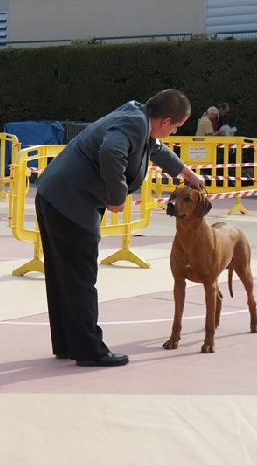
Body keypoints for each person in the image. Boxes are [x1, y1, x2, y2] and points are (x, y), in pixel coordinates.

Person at [34, 89, 205, 368]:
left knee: (62, 275)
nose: (174, 132)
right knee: (80, 276)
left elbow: (155, 148)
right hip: (72, 201)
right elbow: (111, 151)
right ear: (166, 121)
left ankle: (67, 343)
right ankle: (89, 350)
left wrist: (187, 173)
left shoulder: (136, 116)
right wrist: (117, 195)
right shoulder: (134, 124)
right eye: (177, 126)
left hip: (54, 193)